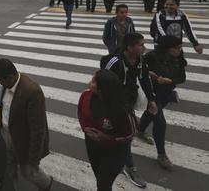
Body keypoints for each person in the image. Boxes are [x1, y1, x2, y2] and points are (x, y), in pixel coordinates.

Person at [101, 32, 155, 188]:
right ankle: (130, 168)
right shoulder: (115, 61)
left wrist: (151, 99)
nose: (144, 48)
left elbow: (144, 79)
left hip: (128, 103)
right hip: (113, 104)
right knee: (126, 135)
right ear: (130, 47)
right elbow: (102, 81)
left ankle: (116, 155)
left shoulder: (140, 60)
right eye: (141, 45)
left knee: (120, 133)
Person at [0, 58, 53, 191]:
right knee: (9, 173)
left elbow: (38, 128)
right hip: (6, 137)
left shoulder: (32, 91)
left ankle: (46, 184)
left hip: (23, 144)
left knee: (29, 173)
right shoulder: (6, 85)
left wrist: (33, 159)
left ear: (10, 77)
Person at [77, 70, 136, 191]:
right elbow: (80, 112)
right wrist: (84, 128)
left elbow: (130, 133)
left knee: (103, 184)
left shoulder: (122, 109)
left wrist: (109, 138)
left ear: (102, 89)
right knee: (99, 177)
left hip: (115, 151)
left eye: (94, 81)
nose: (90, 82)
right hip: (92, 145)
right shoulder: (86, 95)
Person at [137, 36, 187, 170]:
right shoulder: (151, 56)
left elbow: (182, 77)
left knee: (150, 113)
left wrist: (170, 80)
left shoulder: (178, 58)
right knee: (160, 122)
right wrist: (153, 76)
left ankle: (140, 131)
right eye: (176, 48)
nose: (179, 50)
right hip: (151, 93)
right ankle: (161, 154)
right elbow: (138, 69)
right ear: (167, 48)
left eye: (180, 47)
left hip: (166, 93)